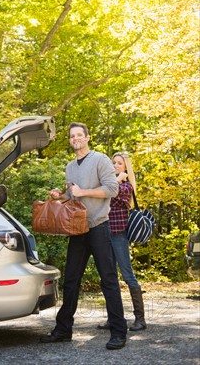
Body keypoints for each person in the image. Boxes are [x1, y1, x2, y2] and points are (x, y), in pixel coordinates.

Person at [40, 122, 128, 350]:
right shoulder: (70, 167)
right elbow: (73, 196)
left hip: (99, 226)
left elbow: (112, 189)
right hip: (77, 229)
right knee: (70, 281)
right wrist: (60, 196)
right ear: (70, 140)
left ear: (87, 137)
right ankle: (63, 330)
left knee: (108, 280)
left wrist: (83, 192)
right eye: (72, 136)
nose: (75, 138)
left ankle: (119, 332)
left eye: (79, 135)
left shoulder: (101, 160)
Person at [97, 152, 146, 331]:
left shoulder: (126, 186)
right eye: (114, 162)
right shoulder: (107, 182)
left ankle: (140, 319)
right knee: (109, 278)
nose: (116, 165)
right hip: (103, 234)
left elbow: (114, 193)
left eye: (119, 163)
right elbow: (100, 194)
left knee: (127, 275)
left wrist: (117, 179)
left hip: (118, 235)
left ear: (125, 167)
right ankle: (114, 318)